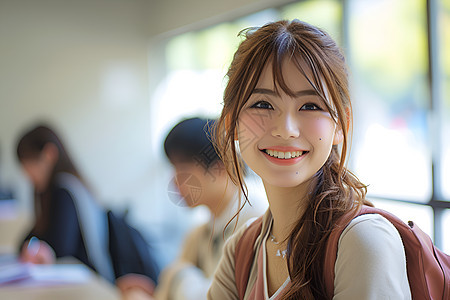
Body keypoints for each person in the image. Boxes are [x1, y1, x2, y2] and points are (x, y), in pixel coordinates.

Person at [208, 20, 411, 299]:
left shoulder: (361, 242)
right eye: (263, 104)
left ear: (341, 125)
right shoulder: (242, 250)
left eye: (310, 106)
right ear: (232, 122)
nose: (286, 129)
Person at [16, 124, 158, 297]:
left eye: (28, 163)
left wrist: (35, 248)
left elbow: (60, 248)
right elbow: (30, 239)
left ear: (49, 154)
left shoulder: (63, 190)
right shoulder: (71, 185)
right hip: (87, 282)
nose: (27, 173)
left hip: (92, 283)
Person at [144, 117, 264, 300]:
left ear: (220, 169)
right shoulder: (201, 232)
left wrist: (177, 274)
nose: (175, 182)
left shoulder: (256, 221)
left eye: (183, 170)